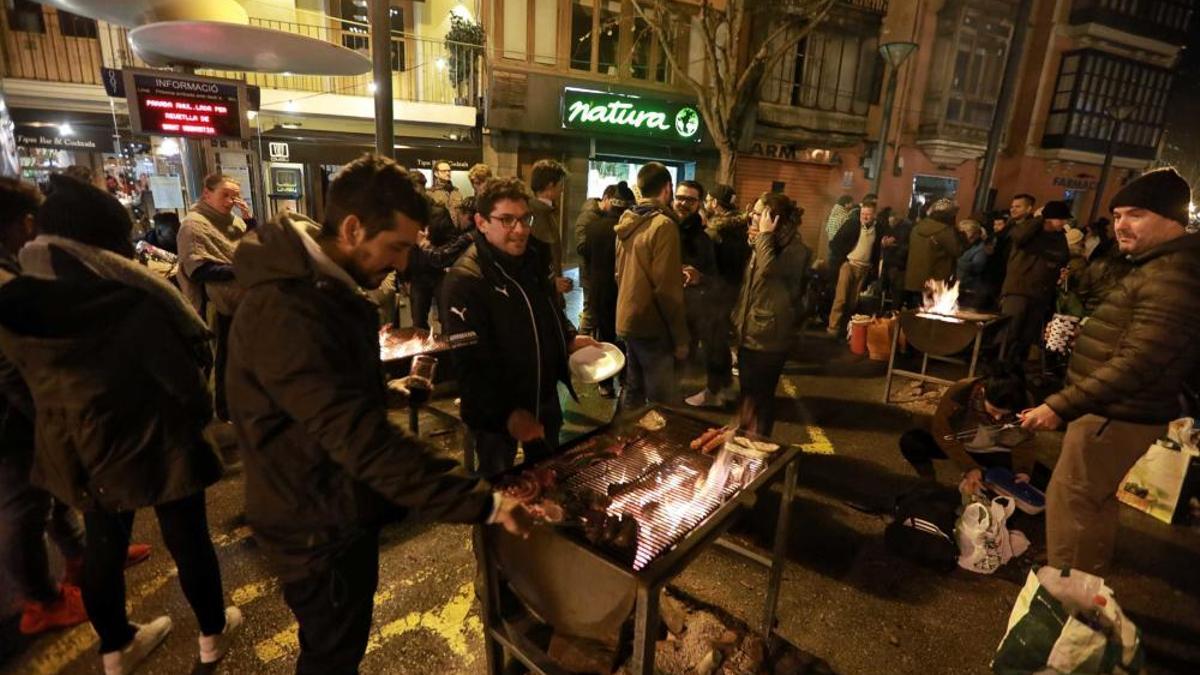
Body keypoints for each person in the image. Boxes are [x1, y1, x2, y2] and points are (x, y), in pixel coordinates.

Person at [226, 155, 530, 673]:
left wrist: (389, 393)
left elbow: (318, 399)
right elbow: (356, 436)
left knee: (333, 648)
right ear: (352, 229)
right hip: (315, 524)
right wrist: (483, 501)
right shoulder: (287, 309)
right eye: (396, 247)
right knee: (330, 655)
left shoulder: (317, 288)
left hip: (328, 504)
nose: (402, 263)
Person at [0, 175, 238, 674]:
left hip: (83, 444)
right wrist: (200, 418)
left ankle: (115, 649)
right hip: (160, 441)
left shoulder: (17, 300)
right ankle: (212, 637)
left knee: (102, 546)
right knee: (189, 540)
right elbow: (184, 385)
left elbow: (21, 382)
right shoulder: (130, 298)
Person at [1021, 168, 1200, 574]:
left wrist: (1060, 405)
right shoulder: (1159, 265)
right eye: (1117, 215)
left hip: (1114, 414)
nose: (1121, 225)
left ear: (1172, 218)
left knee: (1072, 500)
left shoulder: (1173, 273)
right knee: (1094, 500)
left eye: (1135, 214)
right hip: (1115, 410)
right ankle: (1087, 583)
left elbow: (1139, 361)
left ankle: (1067, 601)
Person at [442, 177, 597, 475]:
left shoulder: (534, 258)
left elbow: (549, 310)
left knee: (549, 477)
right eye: (507, 220)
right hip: (499, 412)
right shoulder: (465, 279)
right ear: (481, 222)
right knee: (501, 485)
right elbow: (468, 366)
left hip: (544, 394)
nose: (521, 229)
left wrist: (568, 338)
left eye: (525, 218)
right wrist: (508, 415)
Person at [732, 193, 811, 437]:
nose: (752, 217)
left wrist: (764, 237)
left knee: (762, 400)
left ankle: (758, 450)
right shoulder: (763, 243)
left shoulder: (796, 250)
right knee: (747, 398)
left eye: (758, 213)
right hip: (750, 333)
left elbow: (770, 274)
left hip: (770, 339)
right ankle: (743, 448)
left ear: (773, 219)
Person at [900, 367, 1045, 496]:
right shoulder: (960, 392)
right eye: (994, 410)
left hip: (995, 450)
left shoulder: (1023, 400)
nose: (998, 417)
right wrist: (969, 467)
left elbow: (1025, 439)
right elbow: (942, 432)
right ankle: (928, 481)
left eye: (1004, 414)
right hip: (960, 443)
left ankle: (991, 480)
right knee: (911, 441)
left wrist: (1023, 470)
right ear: (983, 392)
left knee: (1041, 479)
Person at [177, 173, 252, 421]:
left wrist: (250, 222)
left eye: (235, 196)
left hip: (243, 300)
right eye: (225, 195)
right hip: (218, 303)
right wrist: (240, 270)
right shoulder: (194, 224)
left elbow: (252, 249)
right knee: (224, 359)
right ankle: (225, 410)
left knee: (244, 357)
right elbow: (197, 269)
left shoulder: (236, 223)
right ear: (207, 194)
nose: (230, 201)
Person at [615, 162, 689, 407]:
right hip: (652, 324)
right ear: (667, 189)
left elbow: (619, 273)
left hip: (628, 317)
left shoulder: (628, 220)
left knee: (633, 390)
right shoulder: (663, 225)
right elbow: (667, 290)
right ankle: (653, 444)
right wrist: (680, 339)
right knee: (662, 400)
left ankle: (622, 440)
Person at [687, 184, 748, 408]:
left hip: (716, 295)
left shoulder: (717, 233)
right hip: (730, 295)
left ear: (714, 203)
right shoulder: (740, 228)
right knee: (719, 342)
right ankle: (726, 387)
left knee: (713, 344)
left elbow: (712, 267)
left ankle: (713, 392)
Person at [579, 183, 635, 398]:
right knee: (624, 338)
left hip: (599, 291)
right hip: (623, 291)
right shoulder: (630, 231)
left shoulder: (595, 228)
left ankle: (605, 383)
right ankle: (625, 378)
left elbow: (588, 256)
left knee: (605, 338)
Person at [999, 200, 1070, 364]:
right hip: (1018, 290)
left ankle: (1016, 369)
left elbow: (1063, 258)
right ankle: (998, 367)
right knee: (1010, 332)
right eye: (1062, 219)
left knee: (1027, 337)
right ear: (1050, 219)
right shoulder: (1029, 231)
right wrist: (1039, 219)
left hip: (1040, 294)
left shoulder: (1059, 238)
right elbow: (1018, 235)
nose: (1065, 223)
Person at [404, 171, 459, 330]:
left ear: (423, 188)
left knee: (447, 319)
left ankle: (447, 353)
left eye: (417, 188)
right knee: (418, 322)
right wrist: (404, 277)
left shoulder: (438, 212)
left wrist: (433, 249)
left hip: (437, 272)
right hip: (417, 275)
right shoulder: (406, 214)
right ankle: (424, 353)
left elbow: (452, 241)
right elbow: (403, 246)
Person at [674, 180, 717, 361]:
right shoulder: (662, 228)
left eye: (690, 200)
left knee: (680, 369)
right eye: (680, 198)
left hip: (688, 317)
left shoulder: (705, 239)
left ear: (699, 203)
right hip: (658, 313)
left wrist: (699, 277)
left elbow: (714, 278)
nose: (683, 203)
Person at [826, 199, 879, 335]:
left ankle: (845, 328)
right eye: (863, 214)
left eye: (868, 214)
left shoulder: (877, 229)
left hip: (864, 268)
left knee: (853, 301)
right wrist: (842, 259)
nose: (865, 217)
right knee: (841, 298)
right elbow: (835, 243)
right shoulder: (852, 225)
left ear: (874, 215)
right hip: (849, 265)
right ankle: (833, 327)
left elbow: (876, 249)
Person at [904, 198, 962, 307]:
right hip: (934, 280)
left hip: (913, 279)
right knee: (929, 317)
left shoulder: (916, 228)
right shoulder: (945, 231)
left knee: (914, 313)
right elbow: (957, 250)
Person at [528, 159, 572, 296]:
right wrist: (552, 283)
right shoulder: (535, 214)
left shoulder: (545, 211)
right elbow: (533, 262)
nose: (562, 189)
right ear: (550, 186)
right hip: (541, 297)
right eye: (560, 184)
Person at [955, 219, 991, 310]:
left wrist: (957, 261)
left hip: (971, 290)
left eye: (964, 233)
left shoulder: (981, 249)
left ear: (974, 235)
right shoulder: (964, 245)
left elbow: (977, 267)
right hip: (959, 287)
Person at [817, 194, 854, 264]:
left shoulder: (833, 213)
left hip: (831, 243)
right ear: (846, 204)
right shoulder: (843, 216)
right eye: (851, 203)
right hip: (838, 246)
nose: (852, 205)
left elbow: (827, 229)